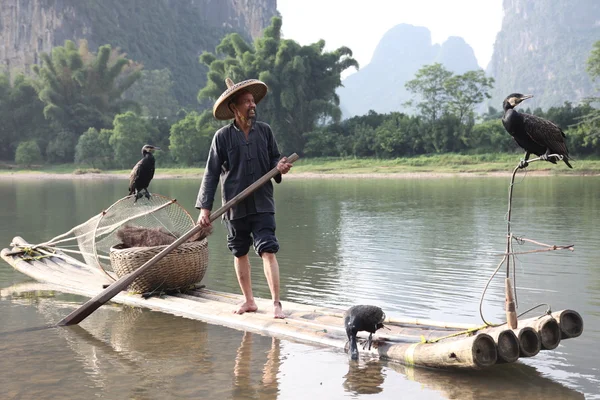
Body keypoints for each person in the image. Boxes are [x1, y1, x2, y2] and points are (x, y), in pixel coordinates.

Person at [196, 78, 292, 319]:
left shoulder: (265, 131)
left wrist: (279, 166)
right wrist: (204, 210)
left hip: (262, 203)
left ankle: (276, 304)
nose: (252, 106)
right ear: (234, 108)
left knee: (268, 249)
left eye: (253, 101)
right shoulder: (222, 137)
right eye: (246, 102)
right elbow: (211, 173)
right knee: (239, 252)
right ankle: (249, 301)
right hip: (234, 205)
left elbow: (274, 160)